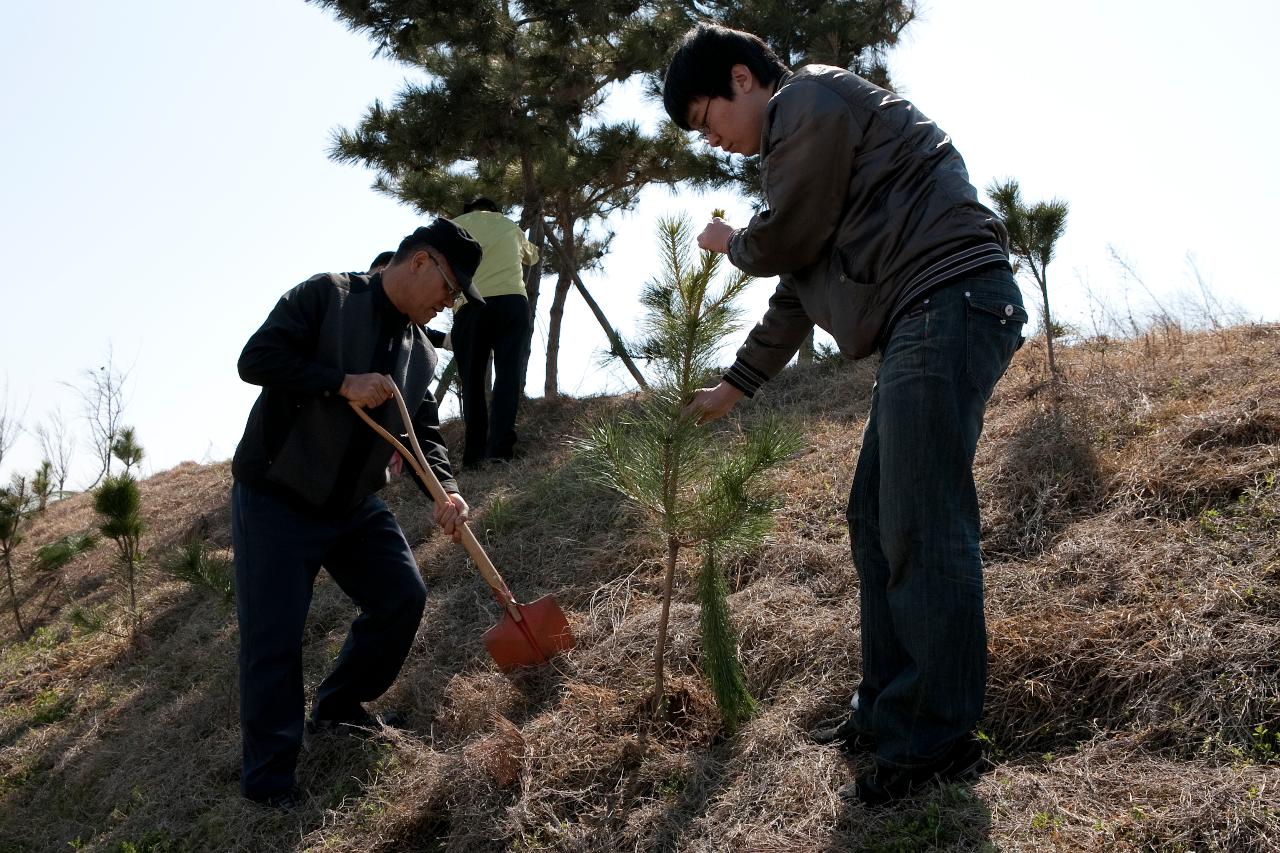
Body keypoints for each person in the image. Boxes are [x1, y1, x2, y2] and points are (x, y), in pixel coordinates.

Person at [663, 24, 1028, 807]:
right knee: (874, 516)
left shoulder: (810, 100)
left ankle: (935, 739)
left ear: (742, 78)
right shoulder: (802, 143)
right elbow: (799, 282)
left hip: (949, 299)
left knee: (920, 525)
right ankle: (887, 708)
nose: (716, 142)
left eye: (708, 119)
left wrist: (733, 244)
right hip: (924, 317)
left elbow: (784, 237)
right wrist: (735, 386)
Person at [230, 218, 484, 810]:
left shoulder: (420, 349)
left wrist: (445, 490)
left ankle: (340, 705)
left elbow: (423, 430)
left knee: (402, 596)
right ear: (420, 261)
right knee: (274, 638)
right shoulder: (326, 295)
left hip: (352, 506)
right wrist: (338, 382)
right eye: (447, 289)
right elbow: (256, 358)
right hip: (276, 497)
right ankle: (269, 781)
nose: (447, 305)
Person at [450, 197, 540, 467]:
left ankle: (474, 455)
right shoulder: (511, 226)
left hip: (471, 305)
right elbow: (532, 257)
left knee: (473, 381)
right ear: (495, 211)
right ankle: (500, 451)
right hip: (512, 303)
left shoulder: (455, 225)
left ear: (469, 210)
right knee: (508, 377)